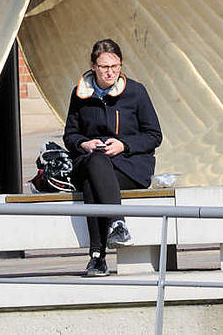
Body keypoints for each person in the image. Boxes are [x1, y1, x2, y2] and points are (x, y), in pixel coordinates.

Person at [64, 39, 162, 276]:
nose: (111, 72)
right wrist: (84, 143)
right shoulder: (79, 95)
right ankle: (117, 223)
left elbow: (154, 135)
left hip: (129, 167)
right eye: (105, 67)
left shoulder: (136, 92)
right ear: (93, 66)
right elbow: (70, 135)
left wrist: (123, 145)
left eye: (115, 66)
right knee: (95, 164)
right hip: (92, 161)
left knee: (91, 181)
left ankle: (97, 257)